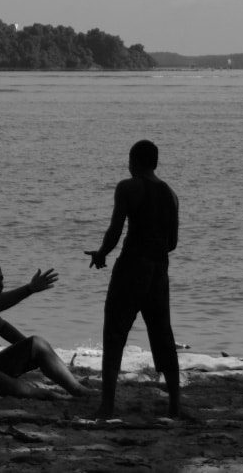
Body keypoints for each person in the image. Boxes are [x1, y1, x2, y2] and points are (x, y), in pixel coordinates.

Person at [86, 140, 181, 420]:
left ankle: (107, 406)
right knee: (163, 335)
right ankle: (175, 404)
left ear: (133, 160)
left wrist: (102, 252)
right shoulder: (171, 194)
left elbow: (116, 228)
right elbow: (172, 242)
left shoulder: (128, 187)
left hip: (132, 267)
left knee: (114, 333)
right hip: (159, 270)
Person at [0, 262, 95, 400]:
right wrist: (29, 289)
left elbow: (5, 329)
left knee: (37, 343)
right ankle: (43, 394)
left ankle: (77, 389)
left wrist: (36, 354)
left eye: (1, 279)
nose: (0, 284)